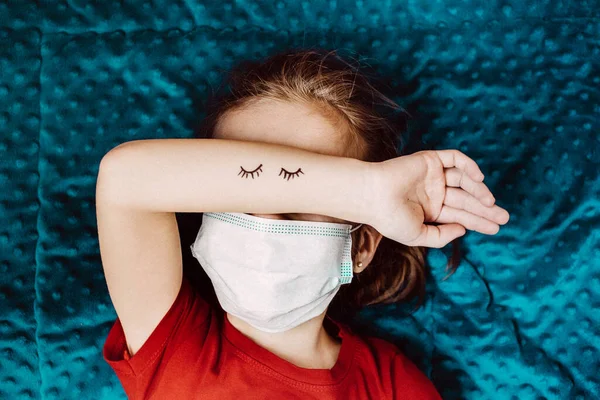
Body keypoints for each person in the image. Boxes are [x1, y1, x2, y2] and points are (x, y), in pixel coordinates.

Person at [97, 49, 510, 399]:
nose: (264, 226)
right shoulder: (176, 344)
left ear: (361, 245)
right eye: (238, 201)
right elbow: (124, 179)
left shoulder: (389, 382)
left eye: (298, 206)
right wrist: (365, 188)